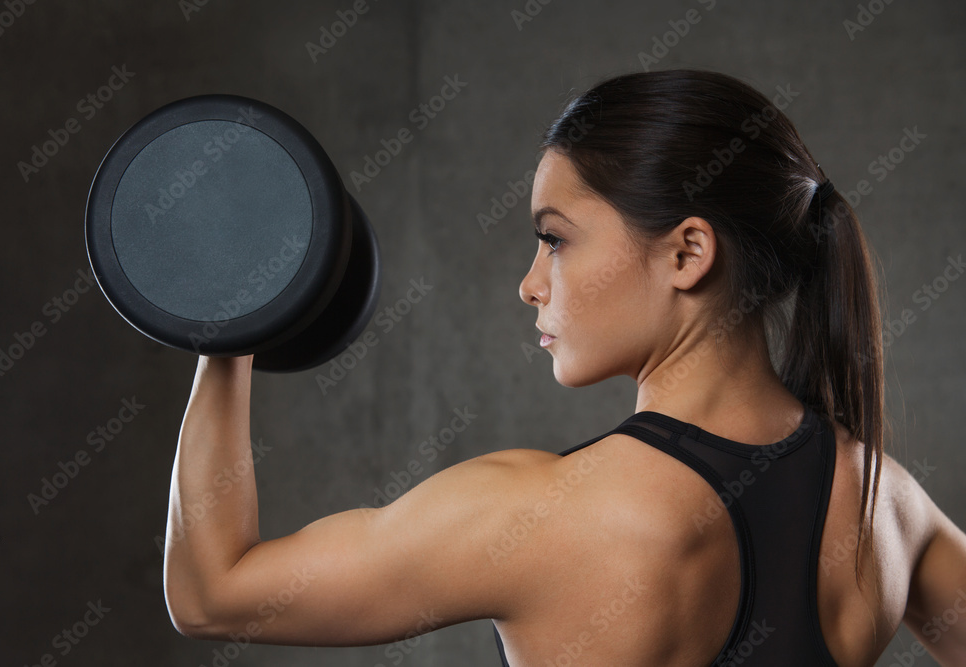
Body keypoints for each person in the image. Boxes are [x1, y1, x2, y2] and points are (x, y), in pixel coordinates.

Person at [162, 69, 966, 666]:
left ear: (688, 251)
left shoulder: (543, 516)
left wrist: (230, 321)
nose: (531, 280)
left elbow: (212, 592)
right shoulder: (884, 500)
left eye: (556, 238)